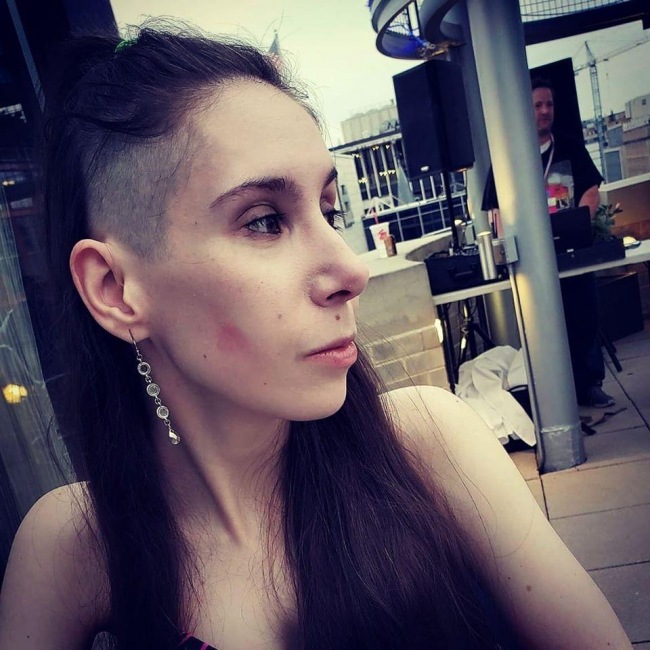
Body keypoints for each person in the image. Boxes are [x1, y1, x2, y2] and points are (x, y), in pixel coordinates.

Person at [0, 24, 631, 650]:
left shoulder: (429, 446)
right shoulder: (76, 547)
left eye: (329, 212)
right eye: (265, 221)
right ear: (114, 288)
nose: (351, 271)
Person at [482, 77, 615, 409]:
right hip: (531, 259)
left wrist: (579, 224)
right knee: (541, 325)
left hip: (571, 251)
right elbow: (494, 210)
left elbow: (591, 191)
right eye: (537, 105)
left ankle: (590, 385)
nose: (545, 111)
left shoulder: (570, 147)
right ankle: (554, 392)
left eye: (549, 104)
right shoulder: (507, 157)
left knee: (584, 315)